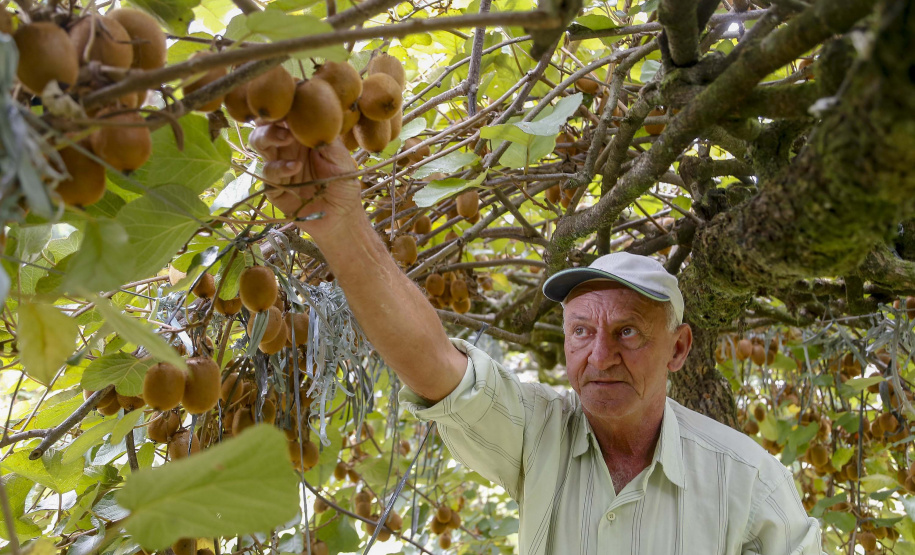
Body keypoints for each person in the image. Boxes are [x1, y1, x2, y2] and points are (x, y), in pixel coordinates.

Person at [250, 127, 824, 555]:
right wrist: (340, 219)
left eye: (627, 332)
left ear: (678, 348)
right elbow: (433, 366)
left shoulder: (745, 478)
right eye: (581, 332)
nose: (599, 357)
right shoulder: (539, 435)